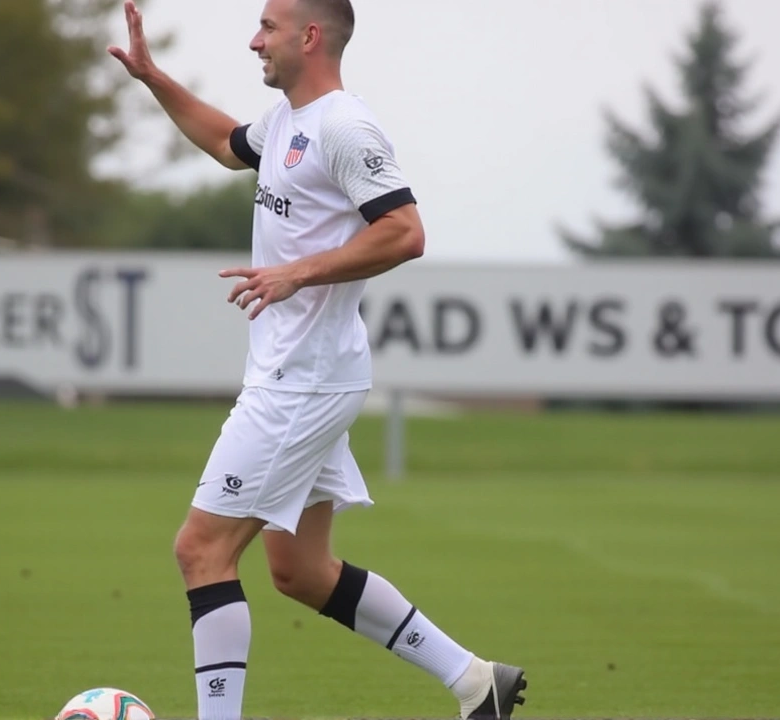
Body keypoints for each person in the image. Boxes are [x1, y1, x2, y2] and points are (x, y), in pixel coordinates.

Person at [107, 1, 526, 718]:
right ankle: (474, 682)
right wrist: (153, 77)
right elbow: (223, 142)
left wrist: (297, 273)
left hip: (299, 382)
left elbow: (403, 232)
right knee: (300, 570)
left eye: (266, 26)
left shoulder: (343, 126)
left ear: (309, 36)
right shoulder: (287, 123)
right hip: (306, 376)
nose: (252, 39)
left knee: (201, 551)